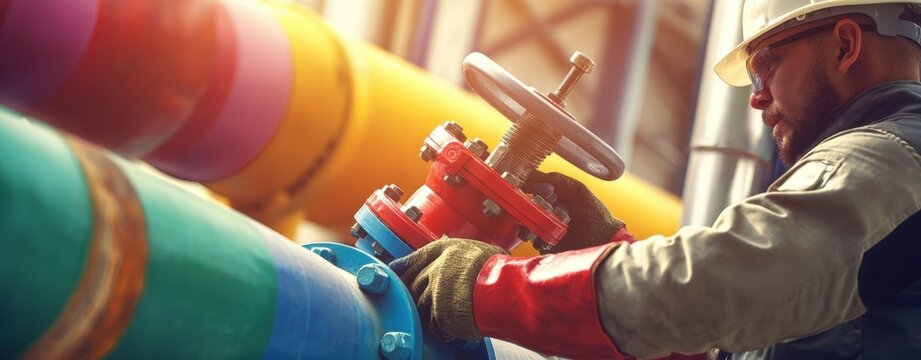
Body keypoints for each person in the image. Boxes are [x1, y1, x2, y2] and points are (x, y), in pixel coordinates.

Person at [389, 0, 921, 358]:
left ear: (846, 45)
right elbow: (718, 335)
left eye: (766, 66)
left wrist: (485, 288)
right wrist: (605, 246)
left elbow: (709, 287)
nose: (756, 96)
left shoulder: (889, 160)